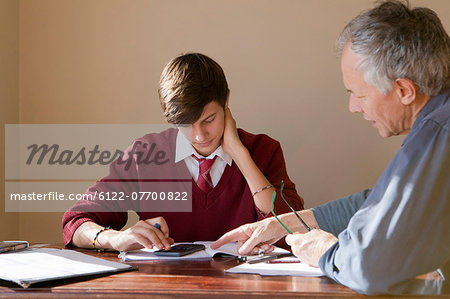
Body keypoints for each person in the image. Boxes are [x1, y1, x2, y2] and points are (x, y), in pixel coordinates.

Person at [212, 0, 449, 295]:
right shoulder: (436, 125)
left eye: (358, 94)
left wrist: (326, 251)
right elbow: (382, 201)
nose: (353, 107)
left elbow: (369, 268)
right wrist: (287, 224)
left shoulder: (439, 135)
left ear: (404, 90)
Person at [62, 53, 304, 252]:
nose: (199, 136)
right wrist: (115, 239)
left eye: (208, 120)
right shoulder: (145, 155)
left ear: (226, 101)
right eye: (185, 125)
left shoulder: (264, 150)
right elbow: (76, 222)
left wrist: (240, 154)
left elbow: (292, 229)